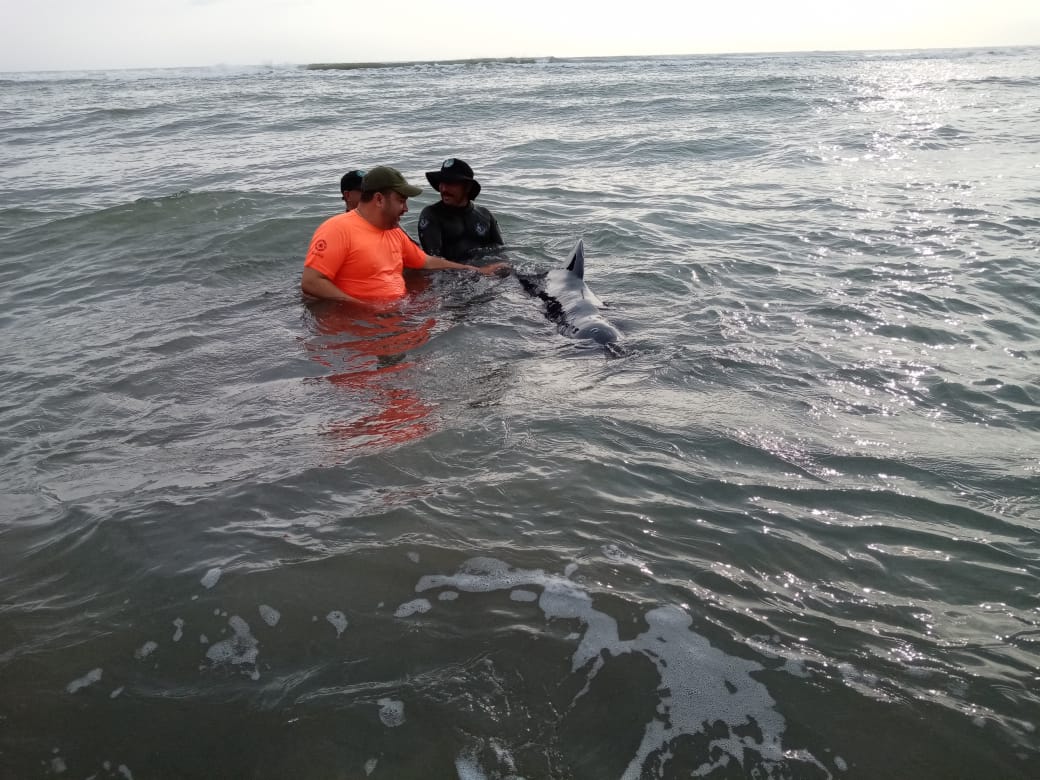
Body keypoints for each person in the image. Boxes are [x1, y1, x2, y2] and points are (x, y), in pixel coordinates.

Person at [302, 166, 509, 304]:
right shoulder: (337, 229)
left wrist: (478, 270)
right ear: (379, 199)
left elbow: (426, 261)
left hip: (395, 316)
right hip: (360, 327)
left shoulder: (394, 233)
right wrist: (364, 308)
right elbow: (311, 283)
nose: (406, 209)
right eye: (401, 200)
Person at [417, 158, 504, 262]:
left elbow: (501, 251)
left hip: (486, 272)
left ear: (467, 187)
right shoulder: (431, 215)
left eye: (450, 184)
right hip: (452, 275)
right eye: (442, 183)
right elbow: (433, 261)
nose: (444, 189)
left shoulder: (485, 215)